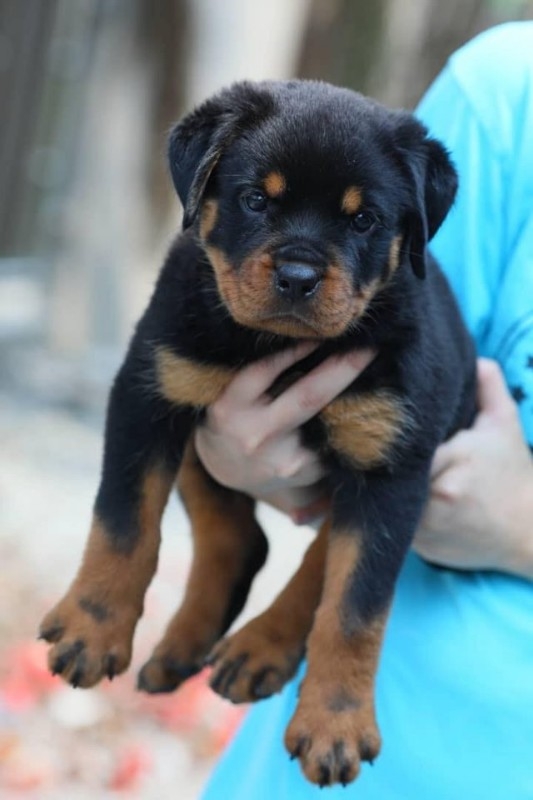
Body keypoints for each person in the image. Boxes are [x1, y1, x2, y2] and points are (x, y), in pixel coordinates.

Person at [198, 22, 533, 799]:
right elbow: (395, 394)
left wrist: (521, 525)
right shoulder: (508, 94)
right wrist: (245, 448)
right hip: (354, 759)